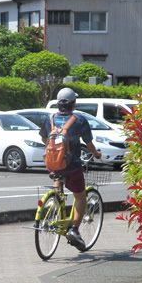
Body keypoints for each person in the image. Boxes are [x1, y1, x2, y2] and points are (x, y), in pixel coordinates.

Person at [39, 88, 102, 250]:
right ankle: (74, 229)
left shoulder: (50, 118)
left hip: (52, 163)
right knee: (80, 196)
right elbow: (89, 143)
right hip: (72, 165)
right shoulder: (79, 120)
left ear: (59, 103)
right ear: (74, 103)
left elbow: (44, 138)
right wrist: (96, 154)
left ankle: (55, 206)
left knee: (57, 178)